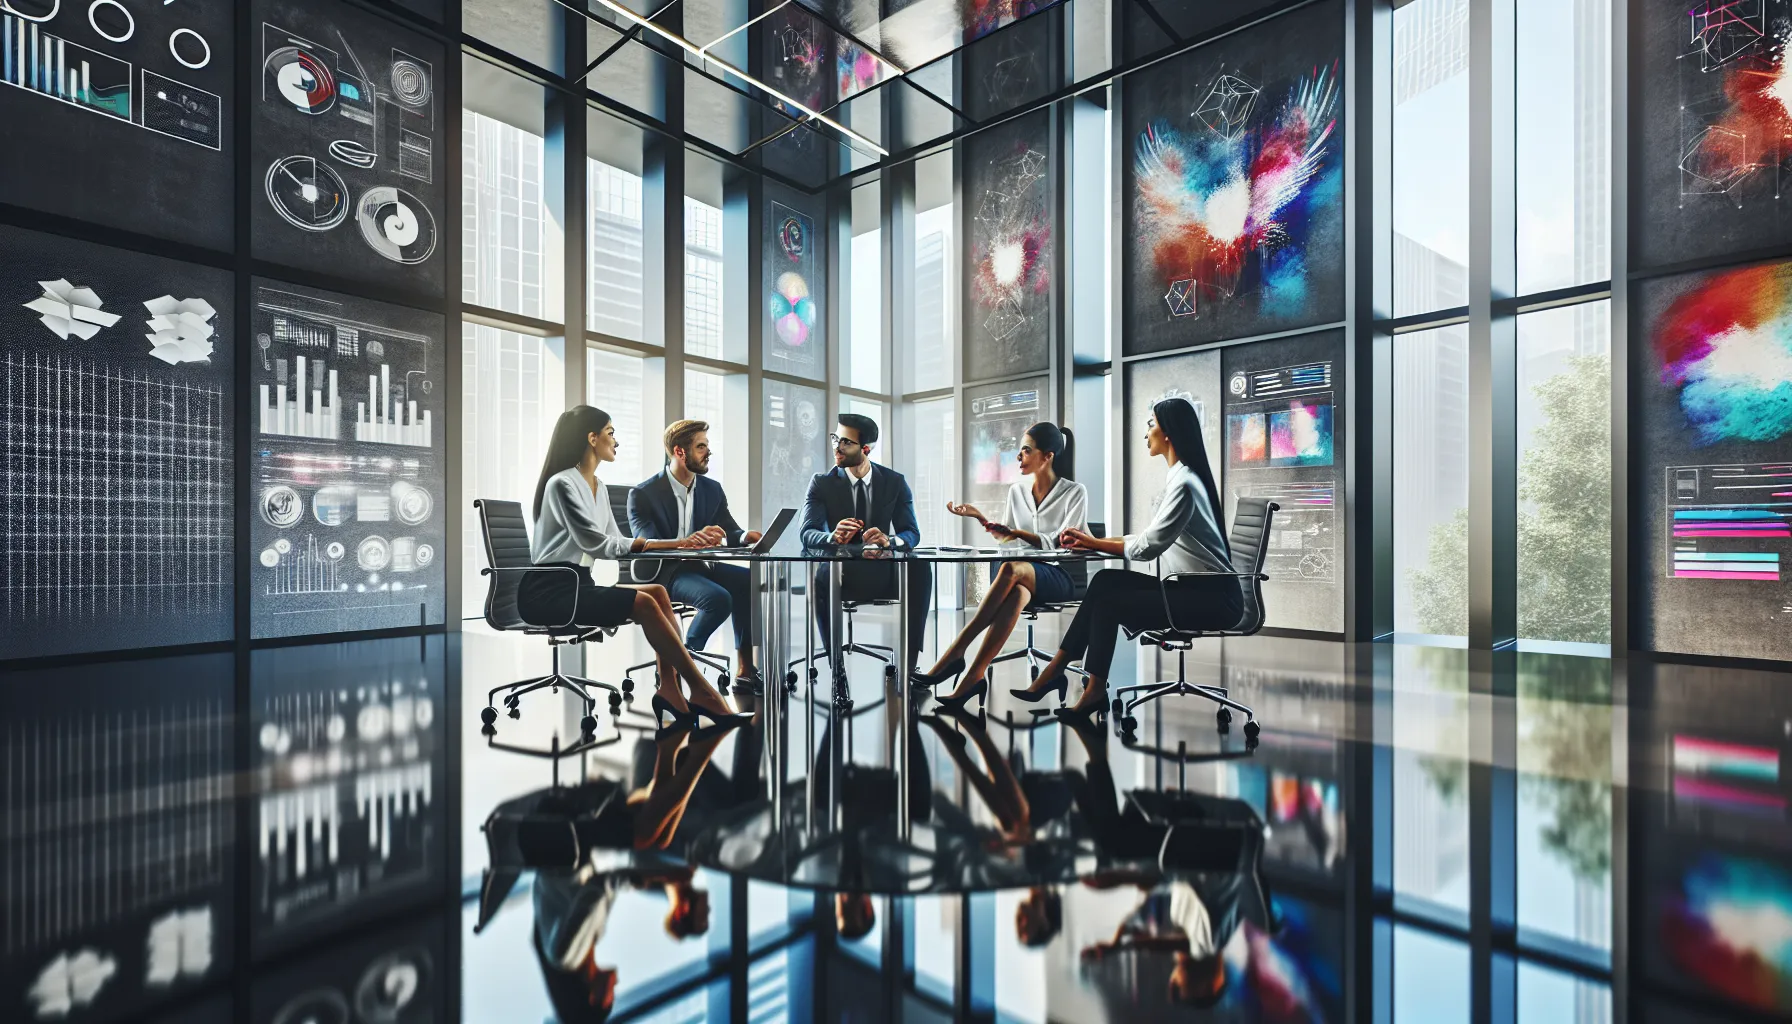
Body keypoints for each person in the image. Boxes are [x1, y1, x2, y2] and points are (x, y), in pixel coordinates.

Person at [1013, 398, 1243, 720]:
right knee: (1105, 581)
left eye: (1151, 425)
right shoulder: (1180, 478)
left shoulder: (1185, 484)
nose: (1146, 433)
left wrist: (1095, 542)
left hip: (1215, 599)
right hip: (1193, 590)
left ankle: (1087, 688)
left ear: (1169, 434)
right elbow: (1144, 537)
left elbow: (1147, 548)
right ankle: (1058, 668)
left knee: (1111, 602)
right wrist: (1092, 542)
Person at [523, 405, 740, 725]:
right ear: (592, 438)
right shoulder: (562, 484)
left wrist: (680, 543)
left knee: (657, 593)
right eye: (611, 433)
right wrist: (678, 543)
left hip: (580, 583)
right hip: (548, 591)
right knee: (644, 603)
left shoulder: (598, 486)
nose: (616, 441)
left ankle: (669, 689)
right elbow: (597, 543)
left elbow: (616, 543)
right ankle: (702, 691)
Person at [911, 422, 1088, 710]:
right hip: (1022, 575)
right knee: (1015, 588)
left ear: (1048, 456)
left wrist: (1020, 535)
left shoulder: (1075, 492)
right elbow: (1008, 539)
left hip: (1058, 575)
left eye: (1026, 451)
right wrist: (981, 518)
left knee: (1009, 570)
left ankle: (957, 650)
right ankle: (974, 676)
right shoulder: (1016, 491)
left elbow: (1065, 541)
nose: (1018, 457)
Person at [628, 419, 765, 688]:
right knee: (718, 599)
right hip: (663, 572)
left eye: (707, 446)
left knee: (748, 582)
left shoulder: (711, 489)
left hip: (699, 567)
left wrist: (746, 536)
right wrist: (685, 543)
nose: (708, 452)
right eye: (701, 446)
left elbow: (729, 530)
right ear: (680, 452)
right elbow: (645, 542)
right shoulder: (643, 493)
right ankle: (682, 662)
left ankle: (746, 671)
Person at [798, 413, 932, 670]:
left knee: (920, 568)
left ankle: (910, 666)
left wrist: (890, 540)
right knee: (824, 572)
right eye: (835, 438)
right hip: (840, 572)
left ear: (866, 449)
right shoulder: (821, 483)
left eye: (846, 442)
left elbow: (911, 533)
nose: (837, 447)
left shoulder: (894, 482)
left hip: (882, 573)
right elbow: (807, 532)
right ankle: (836, 667)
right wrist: (831, 536)